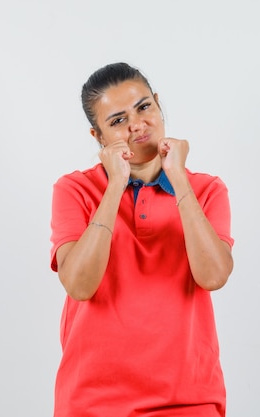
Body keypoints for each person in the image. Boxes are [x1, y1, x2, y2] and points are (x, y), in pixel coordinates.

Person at [49, 62, 234, 417]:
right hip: (92, 403)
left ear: (158, 104)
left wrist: (177, 178)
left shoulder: (207, 190)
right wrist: (116, 183)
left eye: (144, 106)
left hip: (190, 401)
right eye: (117, 120)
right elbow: (79, 285)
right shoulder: (74, 190)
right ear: (98, 137)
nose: (137, 124)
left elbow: (213, 276)